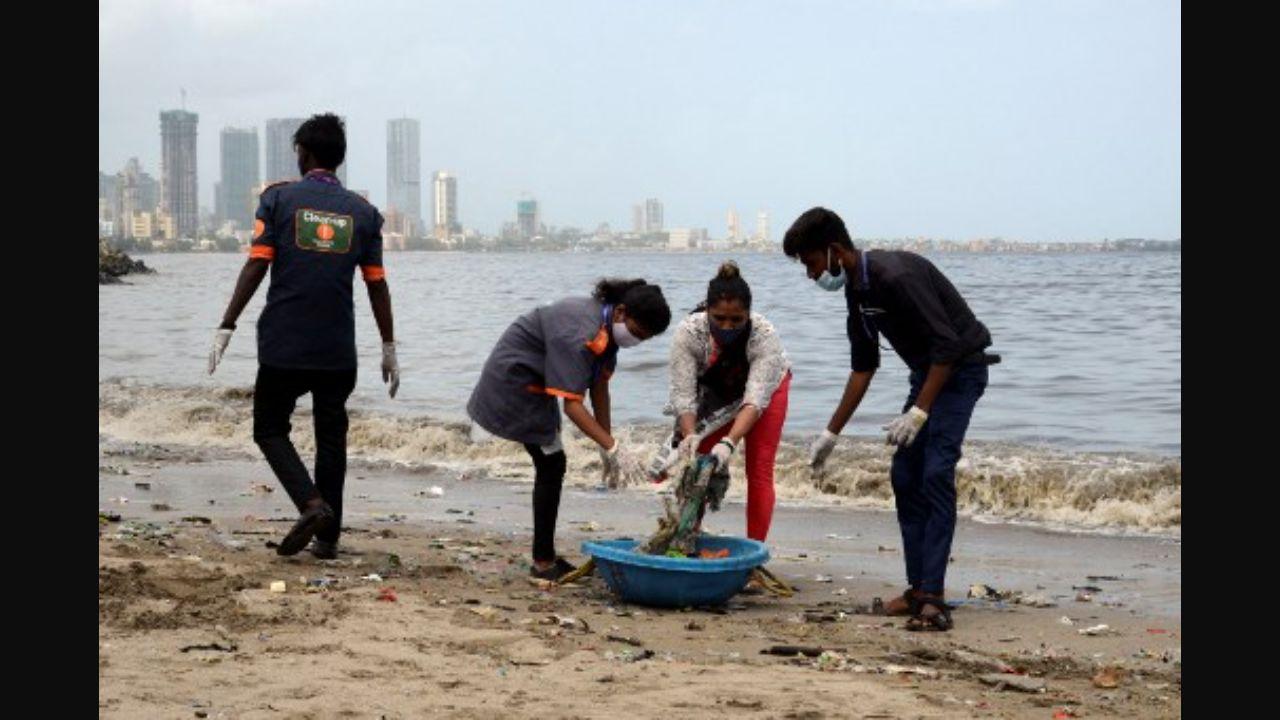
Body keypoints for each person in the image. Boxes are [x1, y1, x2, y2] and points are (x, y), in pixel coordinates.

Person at [783, 207, 997, 631]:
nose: (809, 275)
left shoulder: (896, 276)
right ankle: (918, 588)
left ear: (833, 250)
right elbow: (864, 366)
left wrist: (919, 412)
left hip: (959, 371)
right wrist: (831, 432)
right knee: (904, 475)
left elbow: (948, 347)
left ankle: (933, 597)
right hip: (928, 375)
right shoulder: (857, 291)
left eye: (809, 263)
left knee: (935, 473)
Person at [207, 113, 399, 560]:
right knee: (332, 436)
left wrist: (226, 324)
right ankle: (328, 539)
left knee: (269, 428)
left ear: (303, 153)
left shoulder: (278, 201)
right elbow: (377, 284)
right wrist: (389, 346)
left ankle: (311, 505)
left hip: (284, 344)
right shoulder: (364, 214)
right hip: (337, 349)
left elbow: (257, 264)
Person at [467, 278, 671, 580]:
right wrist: (615, 449)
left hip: (538, 382)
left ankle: (544, 558)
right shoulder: (580, 331)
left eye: (645, 339)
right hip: (514, 382)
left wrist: (606, 444)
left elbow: (599, 385)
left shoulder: (606, 328)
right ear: (621, 312)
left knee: (551, 462)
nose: (636, 342)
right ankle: (543, 562)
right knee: (552, 463)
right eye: (637, 333)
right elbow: (573, 406)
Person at [652, 261, 791, 542]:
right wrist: (690, 435)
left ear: (748, 314)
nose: (727, 326)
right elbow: (684, 395)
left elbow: (754, 400)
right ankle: (686, 537)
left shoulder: (764, 336)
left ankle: (754, 553)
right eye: (719, 319)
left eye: (736, 320)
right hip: (716, 391)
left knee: (759, 469)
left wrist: (729, 442)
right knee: (697, 461)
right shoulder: (690, 333)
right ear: (707, 311)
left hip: (767, 390)